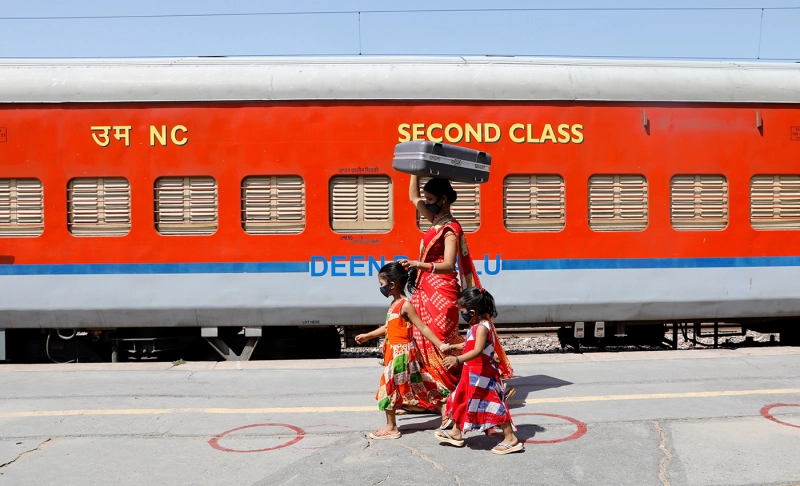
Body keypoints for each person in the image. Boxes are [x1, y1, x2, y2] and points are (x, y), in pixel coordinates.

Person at [398, 176, 514, 410]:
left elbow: (449, 265)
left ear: (442, 200)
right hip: (425, 288)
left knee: (441, 342)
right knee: (423, 343)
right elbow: (413, 197)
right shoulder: (435, 220)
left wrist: (417, 265)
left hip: (442, 291)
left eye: (429, 199)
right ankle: (435, 396)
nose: (425, 202)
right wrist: (414, 171)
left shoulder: (450, 228)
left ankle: (478, 388)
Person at [355, 262, 449, 440]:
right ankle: (445, 408)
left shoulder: (405, 305)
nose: (381, 288)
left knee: (388, 387)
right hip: (395, 352)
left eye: (382, 284)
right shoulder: (394, 304)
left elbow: (422, 327)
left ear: (392, 284)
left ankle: (391, 428)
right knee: (420, 382)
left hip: (402, 354)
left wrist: (440, 344)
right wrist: (368, 336)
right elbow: (388, 327)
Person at [434, 287, 523, 455]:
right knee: (461, 400)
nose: (462, 314)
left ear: (473, 311)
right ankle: (456, 432)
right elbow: (468, 344)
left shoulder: (482, 327)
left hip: (482, 375)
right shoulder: (475, 325)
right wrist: (453, 347)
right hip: (472, 373)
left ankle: (510, 438)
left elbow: (477, 350)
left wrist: (457, 359)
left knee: (493, 405)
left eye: (462, 311)